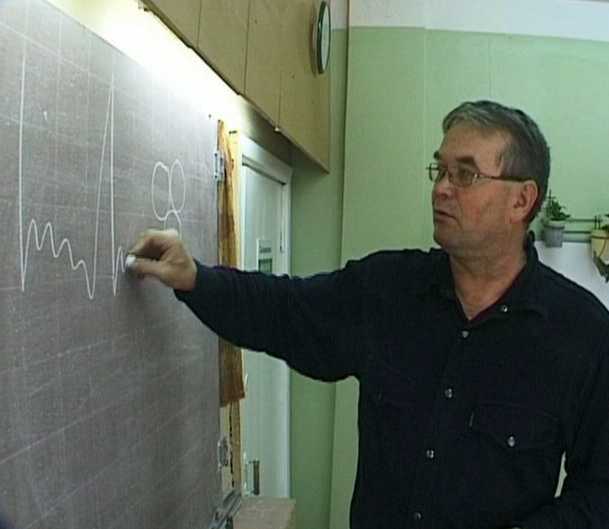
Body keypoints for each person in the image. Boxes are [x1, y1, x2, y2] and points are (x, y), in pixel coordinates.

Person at [129, 100, 609, 529]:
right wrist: (195, 279)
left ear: (521, 200)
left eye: (465, 174)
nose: (442, 189)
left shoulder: (582, 334)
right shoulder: (387, 291)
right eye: (439, 170)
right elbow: (285, 310)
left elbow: (600, 493)